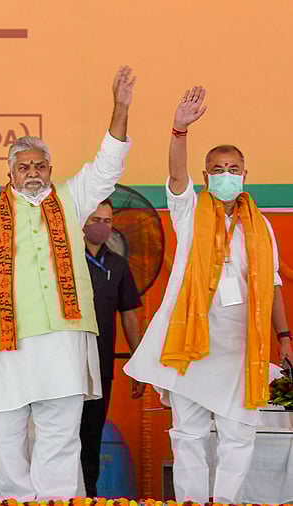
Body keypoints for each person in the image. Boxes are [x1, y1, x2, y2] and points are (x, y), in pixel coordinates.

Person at [0, 66, 136, 500]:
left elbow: (107, 165)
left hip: (63, 337)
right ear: (10, 172)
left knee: (60, 433)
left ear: (51, 169)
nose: (32, 171)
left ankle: (54, 500)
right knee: (6, 434)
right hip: (7, 340)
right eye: (23, 165)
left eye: (39, 165)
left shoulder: (72, 199)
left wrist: (120, 107)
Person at [124, 86, 293, 504]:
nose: (225, 174)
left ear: (245, 175)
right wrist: (178, 131)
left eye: (233, 168)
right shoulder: (189, 212)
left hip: (240, 349)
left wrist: (284, 337)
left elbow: (272, 285)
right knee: (189, 435)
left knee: (239, 434)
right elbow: (176, 178)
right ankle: (192, 502)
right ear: (206, 177)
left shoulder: (262, 227)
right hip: (191, 346)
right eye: (217, 168)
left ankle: (228, 502)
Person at [78, 198, 143, 497]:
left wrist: (137, 363)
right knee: (60, 435)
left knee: (91, 437)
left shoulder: (117, 264)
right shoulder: (66, 261)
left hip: (101, 366)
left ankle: (87, 495)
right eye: (95, 220)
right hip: (65, 363)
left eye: (107, 221)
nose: (101, 227)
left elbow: (129, 313)